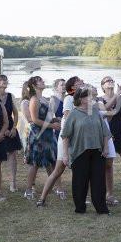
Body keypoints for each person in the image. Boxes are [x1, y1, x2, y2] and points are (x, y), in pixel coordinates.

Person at [59, 85, 111, 215]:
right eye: (88, 95)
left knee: (99, 181)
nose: (91, 98)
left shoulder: (95, 111)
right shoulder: (73, 114)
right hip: (80, 152)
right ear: (81, 99)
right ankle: (80, 208)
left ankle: (101, 208)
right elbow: (65, 135)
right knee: (80, 181)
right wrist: (65, 155)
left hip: (97, 151)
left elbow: (105, 132)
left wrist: (105, 147)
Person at [37, 76, 81, 206]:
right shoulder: (69, 98)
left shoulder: (80, 99)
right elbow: (67, 117)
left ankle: (82, 197)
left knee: (80, 169)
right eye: (79, 82)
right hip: (67, 138)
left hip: (78, 138)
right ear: (73, 87)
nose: (82, 83)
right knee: (58, 170)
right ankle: (42, 198)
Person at [22, 76, 59, 200]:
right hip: (38, 134)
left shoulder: (44, 99)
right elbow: (35, 120)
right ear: (33, 85)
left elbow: (45, 116)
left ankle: (54, 187)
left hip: (48, 133)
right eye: (40, 81)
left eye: (43, 80)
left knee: (51, 160)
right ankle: (28, 190)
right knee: (35, 163)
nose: (43, 81)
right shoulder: (34, 100)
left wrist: (54, 120)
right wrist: (52, 125)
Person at [0, 74, 22, 194]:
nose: (5, 81)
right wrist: (1, 130)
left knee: (12, 155)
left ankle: (13, 182)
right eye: (2, 80)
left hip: (10, 128)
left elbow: (15, 114)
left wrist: (14, 128)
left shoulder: (10, 96)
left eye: (6, 79)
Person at [49, 78, 67, 199]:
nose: (64, 86)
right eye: (61, 85)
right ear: (56, 87)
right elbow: (49, 116)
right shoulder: (54, 99)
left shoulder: (68, 98)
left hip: (68, 129)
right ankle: (58, 187)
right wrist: (59, 120)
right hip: (57, 131)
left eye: (65, 84)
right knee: (58, 160)